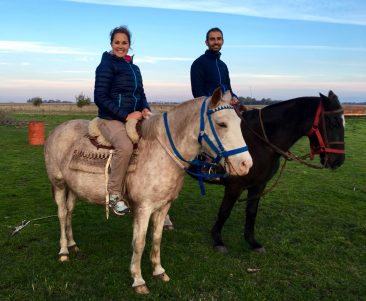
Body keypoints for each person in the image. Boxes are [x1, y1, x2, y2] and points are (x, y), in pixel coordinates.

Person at [94, 26, 151, 216]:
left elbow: (140, 94)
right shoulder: (106, 65)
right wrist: (125, 116)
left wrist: (145, 108)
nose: (120, 46)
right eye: (117, 42)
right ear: (111, 44)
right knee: (125, 147)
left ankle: (148, 190)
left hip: (135, 115)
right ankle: (114, 195)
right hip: (110, 118)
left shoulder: (135, 68)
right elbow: (100, 96)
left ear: (129, 45)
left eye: (124, 43)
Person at [190, 27, 239, 104]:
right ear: (206, 42)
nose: (216, 42)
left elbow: (229, 89)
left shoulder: (223, 66)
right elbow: (197, 93)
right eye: (212, 39)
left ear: (222, 41)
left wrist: (234, 97)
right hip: (210, 109)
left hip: (226, 106)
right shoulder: (198, 63)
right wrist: (215, 103)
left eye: (219, 39)